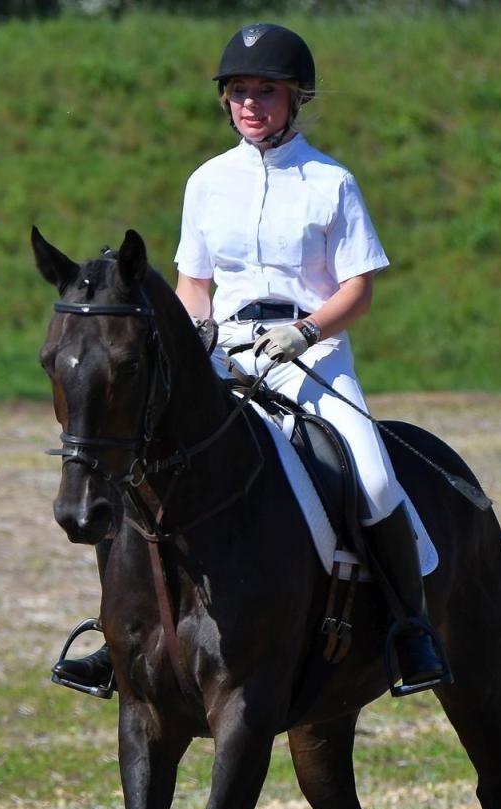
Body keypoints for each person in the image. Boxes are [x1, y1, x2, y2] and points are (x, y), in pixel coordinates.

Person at [52, 22, 450, 698]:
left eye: (266, 90)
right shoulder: (206, 183)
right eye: (238, 91)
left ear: (297, 98)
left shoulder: (332, 182)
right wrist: (196, 332)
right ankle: (120, 630)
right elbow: (194, 284)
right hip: (224, 353)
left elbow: (358, 288)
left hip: (312, 356)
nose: (250, 102)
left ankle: (411, 628)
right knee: (139, 468)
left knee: (376, 479)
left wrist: (304, 330)